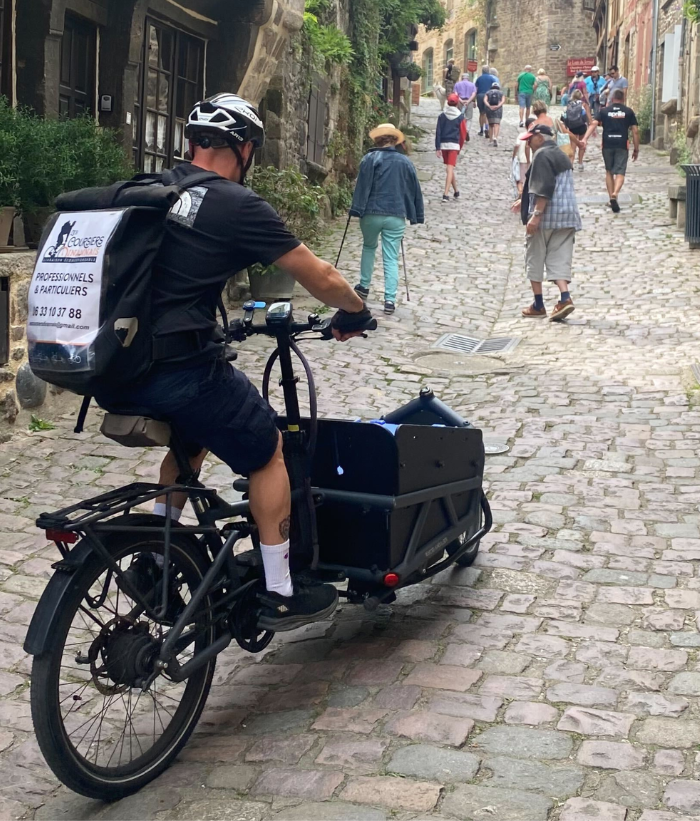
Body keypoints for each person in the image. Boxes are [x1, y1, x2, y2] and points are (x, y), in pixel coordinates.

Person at [93, 93, 374, 632]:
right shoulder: (236, 204)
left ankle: (156, 561)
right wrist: (356, 311)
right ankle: (281, 590)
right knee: (267, 452)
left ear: (192, 144)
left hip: (116, 369)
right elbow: (320, 276)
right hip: (179, 371)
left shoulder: (152, 190)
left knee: (191, 440)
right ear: (244, 149)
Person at [349, 123, 424, 314]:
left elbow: (361, 187)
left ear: (377, 139)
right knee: (391, 257)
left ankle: (364, 286)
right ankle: (389, 300)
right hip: (396, 215)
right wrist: (416, 213)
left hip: (371, 213)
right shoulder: (405, 162)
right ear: (395, 140)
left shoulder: (369, 159)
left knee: (369, 247)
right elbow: (414, 189)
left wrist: (356, 209)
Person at [518, 124, 582, 321]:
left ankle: (538, 305)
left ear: (539, 137)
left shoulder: (542, 155)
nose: (528, 144)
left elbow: (544, 187)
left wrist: (536, 215)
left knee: (535, 255)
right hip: (568, 214)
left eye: (530, 139)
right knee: (560, 256)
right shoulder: (562, 154)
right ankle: (565, 297)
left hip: (547, 216)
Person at [581, 88, 639, 212]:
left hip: (607, 144)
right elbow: (635, 131)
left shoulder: (604, 111)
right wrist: (636, 149)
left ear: (612, 99)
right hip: (622, 144)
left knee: (609, 172)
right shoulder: (628, 112)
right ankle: (615, 194)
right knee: (620, 172)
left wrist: (585, 138)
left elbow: (593, 124)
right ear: (623, 99)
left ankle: (611, 198)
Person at [435, 93, 467, 201]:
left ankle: (456, 191)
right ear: (457, 103)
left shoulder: (442, 116)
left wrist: (437, 147)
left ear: (448, 103)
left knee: (449, 169)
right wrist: (459, 147)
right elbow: (463, 134)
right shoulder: (460, 117)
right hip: (454, 145)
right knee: (450, 169)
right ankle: (446, 194)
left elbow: (438, 132)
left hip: (444, 145)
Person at [562, 89, 589, 171]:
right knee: (582, 144)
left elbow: (564, 117)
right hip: (581, 126)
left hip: (572, 127)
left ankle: (571, 163)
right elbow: (588, 117)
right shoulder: (583, 104)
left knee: (572, 146)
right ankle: (580, 163)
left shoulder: (569, 105)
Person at [512, 116, 536, 196]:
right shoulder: (534, 136)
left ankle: (520, 193)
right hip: (531, 160)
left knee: (521, 179)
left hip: (522, 159)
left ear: (525, 126)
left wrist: (514, 155)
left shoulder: (522, 135)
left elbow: (517, 145)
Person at [475, 65, 498, 137]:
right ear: (488, 71)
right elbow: (495, 88)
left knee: (481, 113)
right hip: (488, 96)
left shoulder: (479, 78)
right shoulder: (492, 78)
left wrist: (473, 100)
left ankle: (481, 130)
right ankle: (487, 128)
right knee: (487, 114)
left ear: (482, 71)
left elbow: (476, 89)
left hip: (480, 96)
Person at [484, 81, 505, 147]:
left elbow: (485, 100)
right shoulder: (501, 93)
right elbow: (503, 100)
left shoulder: (488, 92)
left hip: (489, 109)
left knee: (491, 125)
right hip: (498, 110)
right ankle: (495, 137)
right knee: (497, 124)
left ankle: (490, 140)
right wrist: (498, 106)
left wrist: (489, 106)